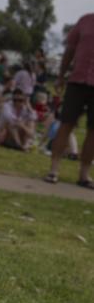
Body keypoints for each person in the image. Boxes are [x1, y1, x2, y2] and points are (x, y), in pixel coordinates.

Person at [44, 12, 94, 188]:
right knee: (66, 124)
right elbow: (70, 49)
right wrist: (60, 76)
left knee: (92, 131)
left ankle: (84, 175)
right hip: (77, 81)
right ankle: (54, 170)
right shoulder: (85, 20)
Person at [0, 88, 37, 152]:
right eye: (15, 100)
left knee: (31, 122)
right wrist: (20, 123)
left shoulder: (25, 108)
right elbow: (8, 117)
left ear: (24, 100)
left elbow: (34, 117)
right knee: (11, 124)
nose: (17, 102)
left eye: (20, 100)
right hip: (5, 133)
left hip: (18, 133)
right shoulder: (7, 105)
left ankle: (25, 145)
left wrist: (28, 106)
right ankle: (19, 146)